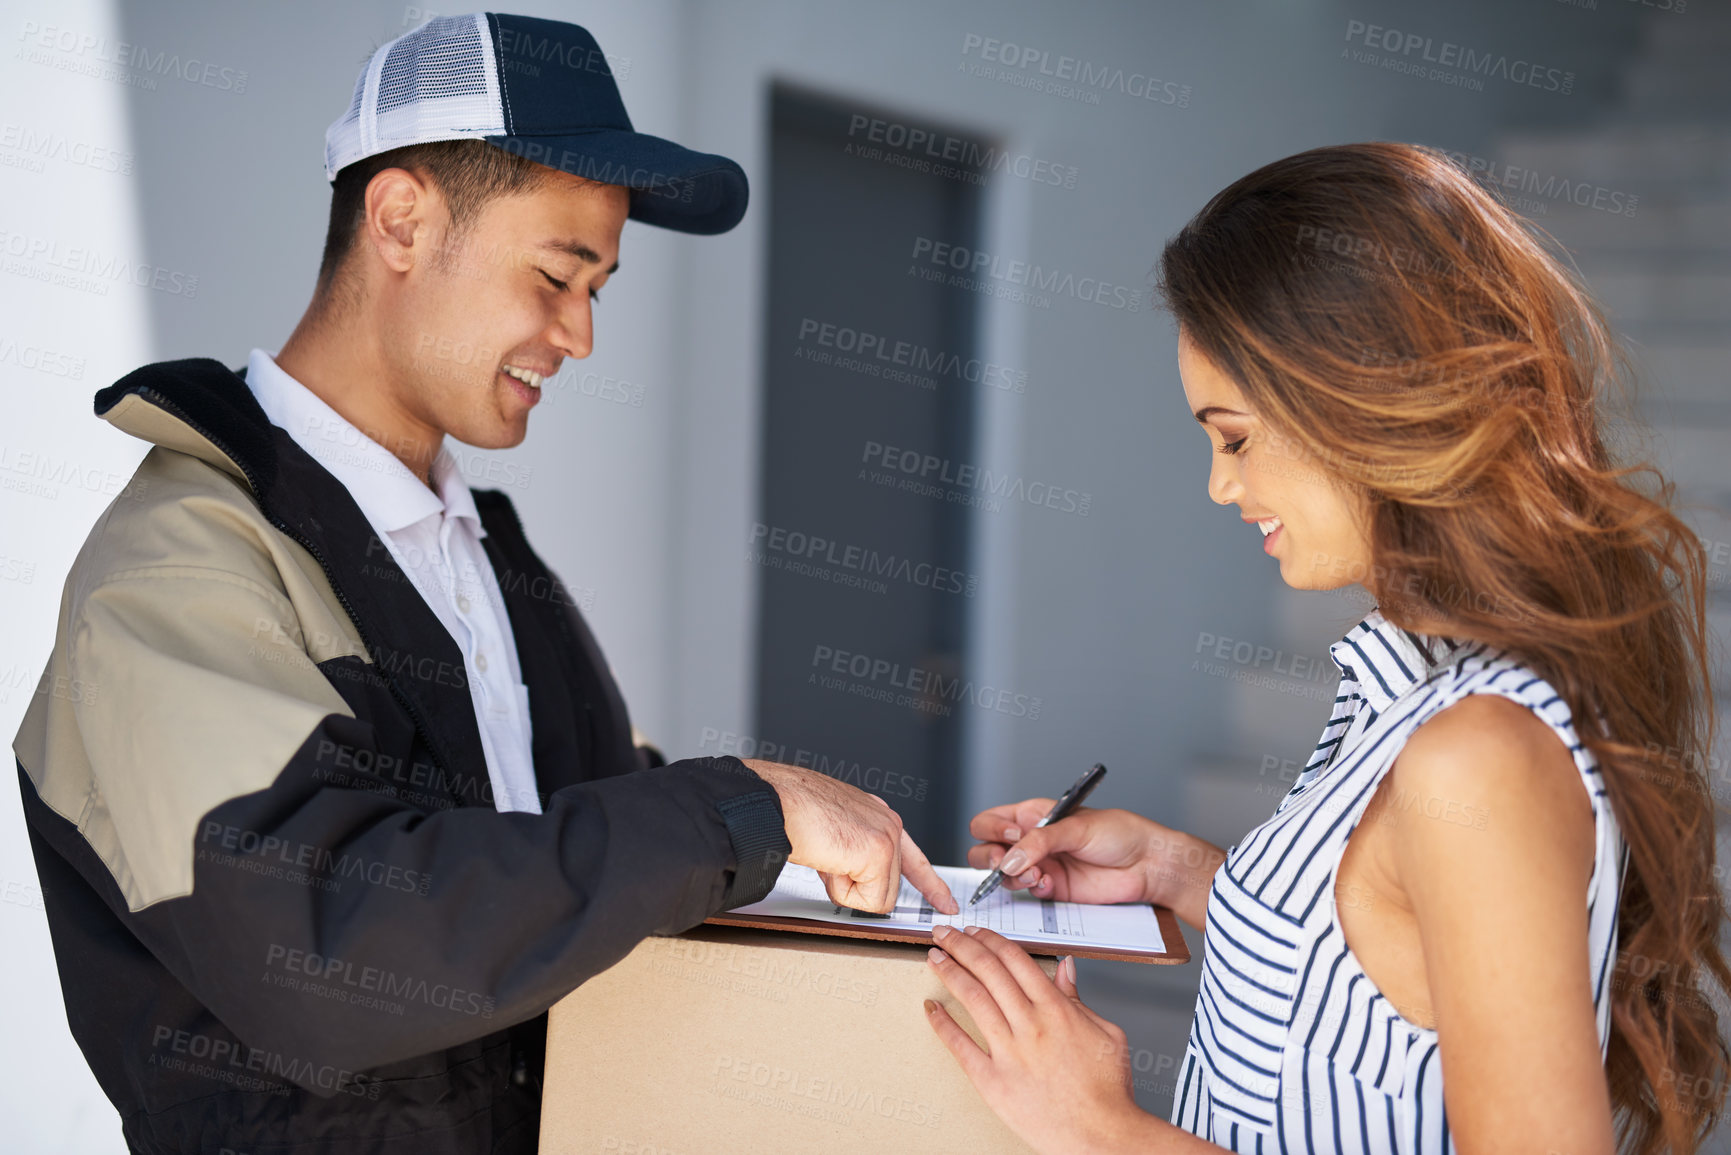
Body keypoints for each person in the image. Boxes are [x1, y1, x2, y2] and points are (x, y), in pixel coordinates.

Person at [12, 14, 954, 1155]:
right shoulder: (185, 564)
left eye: (599, 286)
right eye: (558, 274)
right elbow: (326, 941)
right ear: (402, 219)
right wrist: (734, 808)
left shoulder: (479, 553)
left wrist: (883, 878)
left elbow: (573, 848)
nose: (582, 335)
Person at [920, 142, 1729, 1155]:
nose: (1220, 486)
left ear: (1363, 397)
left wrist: (1101, 1130)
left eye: (1237, 437)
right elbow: (1385, 974)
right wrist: (1178, 872)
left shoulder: (1478, 759)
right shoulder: (1420, 688)